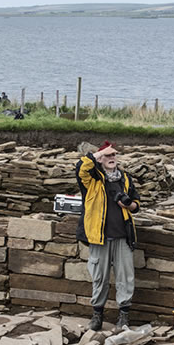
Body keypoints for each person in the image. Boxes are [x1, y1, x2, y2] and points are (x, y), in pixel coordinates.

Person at [74, 141, 141, 332]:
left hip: (123, 236)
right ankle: (97, 316)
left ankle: (124, 317)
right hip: (98, 237)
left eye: (114, 155)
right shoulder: (91, 178)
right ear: (100, 158)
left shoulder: (125, 178)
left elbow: (136, 203)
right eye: (107, 155)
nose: (112, 158)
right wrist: (97, 154)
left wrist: (130, 206)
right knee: (99, 278)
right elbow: (81, 167)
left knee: (125, 277)